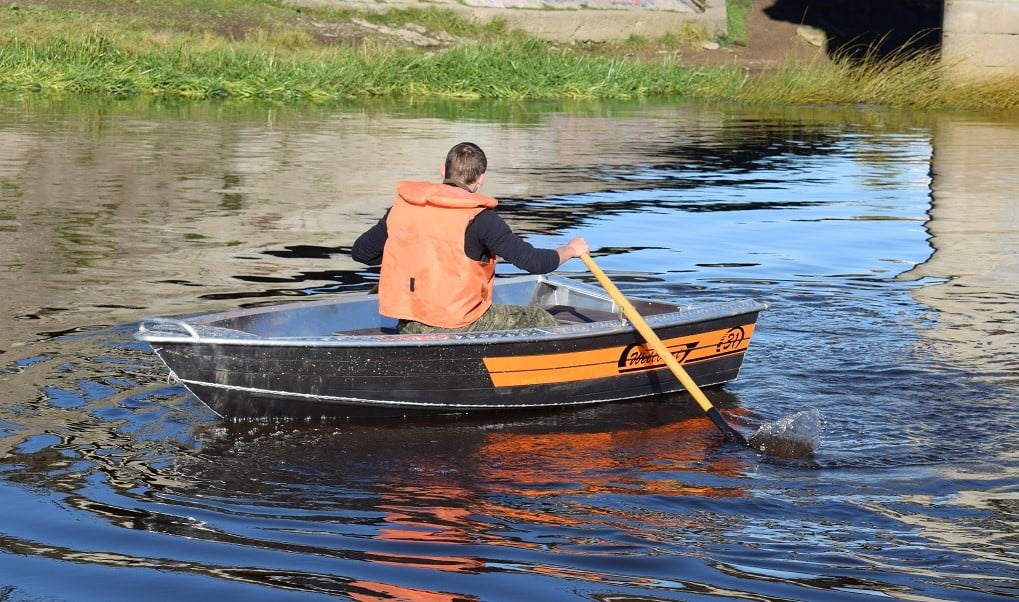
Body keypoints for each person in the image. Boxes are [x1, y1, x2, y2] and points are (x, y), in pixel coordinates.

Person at [352, 141, 589, 334]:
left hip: (409, 320)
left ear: (443, 171)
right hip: (459, 323)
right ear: (481, 179)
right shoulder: (482, 219)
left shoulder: (402, 208)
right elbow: (535, 262)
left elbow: (362, 253)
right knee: (539, 318)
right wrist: (570, 249)